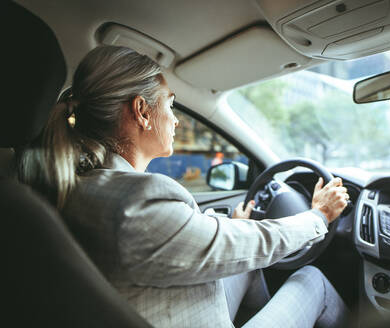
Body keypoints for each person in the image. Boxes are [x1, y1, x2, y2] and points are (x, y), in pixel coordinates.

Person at [18, 46, 350, 327]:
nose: (176, 120)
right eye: (170, 104)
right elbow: (258, 242)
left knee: (249, 268)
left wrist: (233, 227)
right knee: (313, 282)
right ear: (142, 112)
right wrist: (319, 215)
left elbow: (199, 241)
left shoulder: (74, 187)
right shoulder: (139, 201)